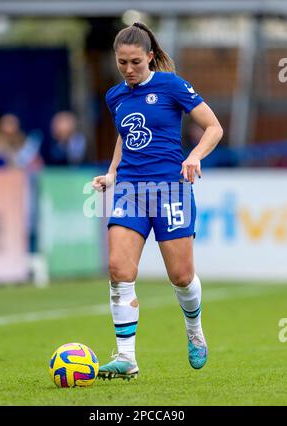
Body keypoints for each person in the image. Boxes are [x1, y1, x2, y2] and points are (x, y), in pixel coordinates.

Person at [92, 22, 223, 380]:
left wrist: (194, 156)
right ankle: (125, 357)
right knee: (119, 269)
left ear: (150, 57)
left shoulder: (172, 86)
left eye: (135, 62)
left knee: (181, 277)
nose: (129, 70)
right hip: (131, 191)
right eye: (122, 63)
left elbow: (214, 127)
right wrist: (112, 173)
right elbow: (125, 135)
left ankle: (194, 329)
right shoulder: (115, 96)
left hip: (171, 190)